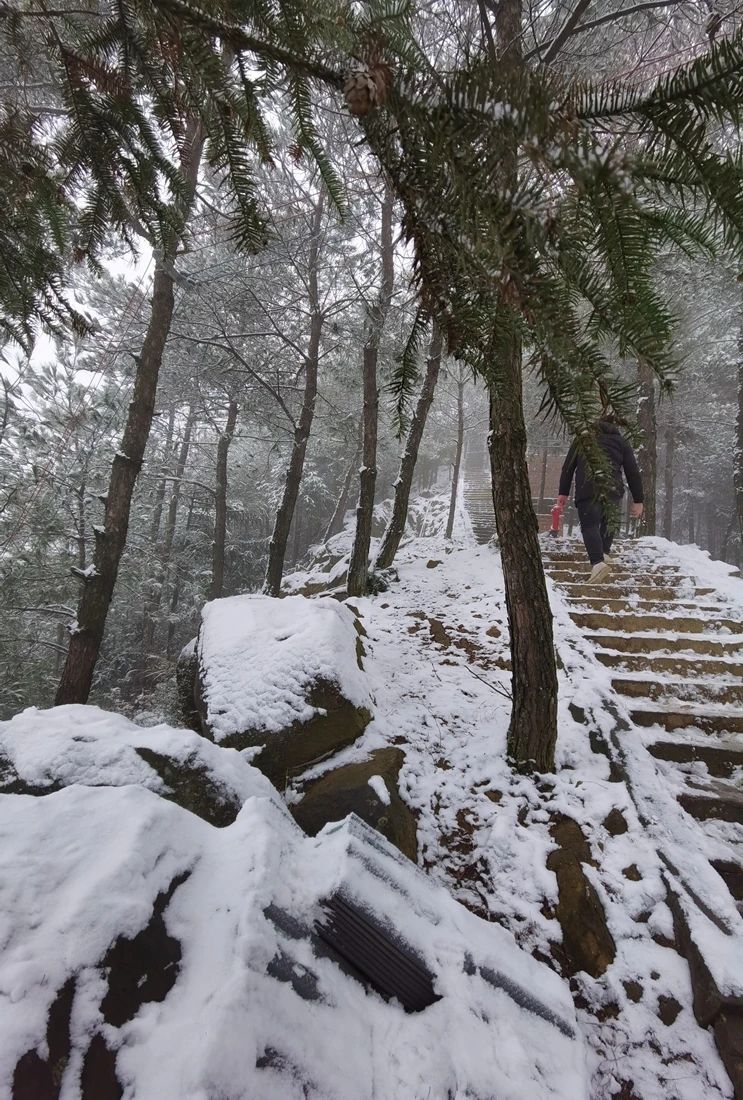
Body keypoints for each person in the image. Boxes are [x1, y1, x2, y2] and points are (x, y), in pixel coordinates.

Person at [557, 415, 644, 583]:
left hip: (587, 488)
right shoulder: (621, 442)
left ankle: (597, 563)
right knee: (608, 521)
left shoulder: (583, 438)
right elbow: (632, 472)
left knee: (590, 525)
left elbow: (568, 467)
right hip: (612, 488)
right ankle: (604, 553)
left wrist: (563, 492)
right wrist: (638, 500)